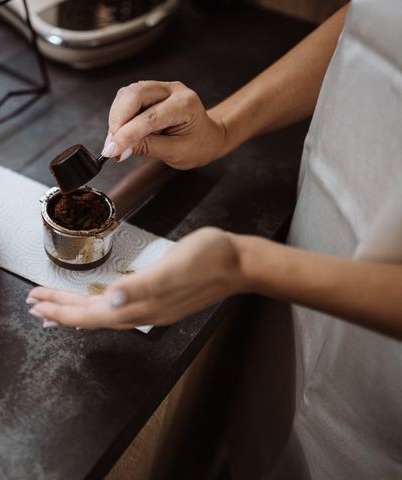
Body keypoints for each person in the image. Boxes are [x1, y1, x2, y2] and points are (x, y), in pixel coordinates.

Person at [27, 0, 402, 478]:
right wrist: (222, 128)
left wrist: (247, 264)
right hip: (329, 222)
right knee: (277, 416)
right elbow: (375, 20)